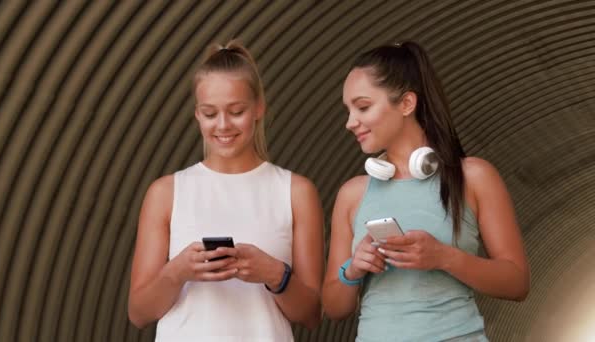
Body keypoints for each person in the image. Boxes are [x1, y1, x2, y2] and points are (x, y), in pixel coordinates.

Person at [322, 41, 530, 342]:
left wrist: (444, 257)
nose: (350, 122)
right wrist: (353, 269)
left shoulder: (474, 177)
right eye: (349, 110)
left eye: (363, 107)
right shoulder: (351, 194)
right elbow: (333, 307)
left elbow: (517, 283)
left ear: (407, 103)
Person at [128, 41, 324, 341]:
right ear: (197, 114)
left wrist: (274, 274)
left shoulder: (296, 192)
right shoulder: (166, 193)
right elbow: (139, 312)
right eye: (209, 113)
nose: (222, 125)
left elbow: (311, 314)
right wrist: (176, 272)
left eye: (236, 111)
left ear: (259, 107)